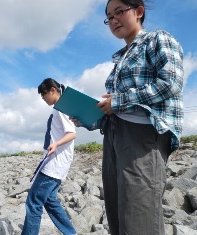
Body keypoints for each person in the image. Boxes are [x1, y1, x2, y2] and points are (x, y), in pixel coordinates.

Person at [71, 0, 184, 234]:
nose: (113, 20)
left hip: (142, 135)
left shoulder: (157, 39)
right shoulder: (119, 59)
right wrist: (86, 115)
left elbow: (170, 83)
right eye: (108, 17)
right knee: (117, 213)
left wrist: (119, 101)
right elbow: (114, 109)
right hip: (113, 136)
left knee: (138, 215)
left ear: (139, 11)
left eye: (119, 12)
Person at [21, 78, 77, 235]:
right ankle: (71, 233)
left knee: (33, 202)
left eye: (43, 95)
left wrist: (56, 144)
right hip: (57, 165)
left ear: (53, 90)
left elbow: (72, 133)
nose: (43, 98)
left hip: (53, 165)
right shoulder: (60, 109)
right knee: (50, 201)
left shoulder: (61, 109)